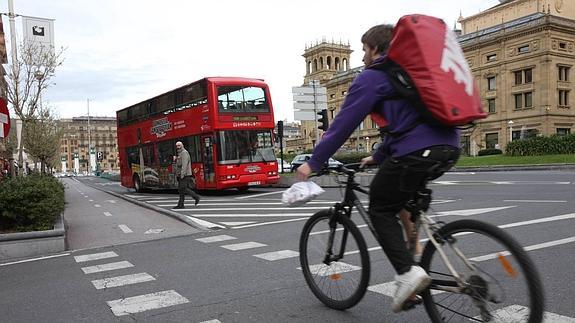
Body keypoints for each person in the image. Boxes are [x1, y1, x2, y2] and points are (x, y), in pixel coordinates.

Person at [296, 24, 460, 312]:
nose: (361, 58)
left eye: (363, 50)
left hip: (416, 151)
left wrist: (314, 162)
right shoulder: (412, 71)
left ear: (375, 49)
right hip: (449, 145)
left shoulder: (372, 77)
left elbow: (341, 126)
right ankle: (413, 262)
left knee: (380, 208)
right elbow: (407, 122)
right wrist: (379, 155)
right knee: (404, 202)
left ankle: (409, 275)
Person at [173, 141, 200, 209]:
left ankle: (196, 197)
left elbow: (184, 165)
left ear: (182, 146)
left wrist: (182, 174)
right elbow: (178, 164)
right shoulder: (180, 154)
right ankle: (181, 204)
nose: (178, 147)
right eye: (177, 146)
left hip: (185, 174)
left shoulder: (184, 153)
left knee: (183, 188)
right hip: (181, 174)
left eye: (179, 145)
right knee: (181, 190)